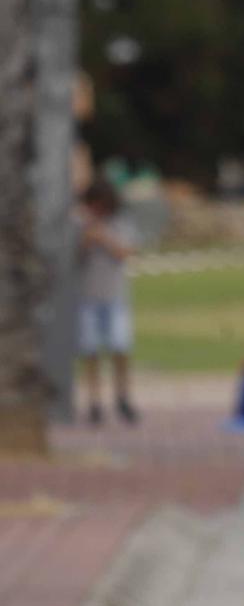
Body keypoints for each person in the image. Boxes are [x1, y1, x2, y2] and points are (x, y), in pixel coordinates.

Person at [76, 178, 140, 425]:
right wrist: (86, 240)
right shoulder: (81, 226)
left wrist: (103, 238)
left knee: (120, 347)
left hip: (115, 297)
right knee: (90, 351)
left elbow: (125, 253)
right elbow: (72, 258)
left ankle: (122, 397)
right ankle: (94, 402)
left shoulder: (120, 223)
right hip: (87, 298)